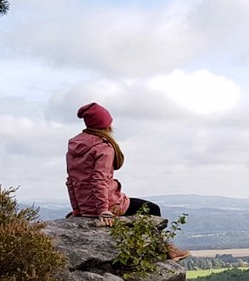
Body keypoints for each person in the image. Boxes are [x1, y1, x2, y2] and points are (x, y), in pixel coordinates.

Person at [66, 102, 187, 259]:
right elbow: (100, 180)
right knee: (152, 209)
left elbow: (71, 181)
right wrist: (104, 210)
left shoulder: (74, 148)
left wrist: (77, 210)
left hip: (84, 207)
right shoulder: (104, 148)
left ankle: (164, 249)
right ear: (105, 125)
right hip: (108, 204)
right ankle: (167, 249)